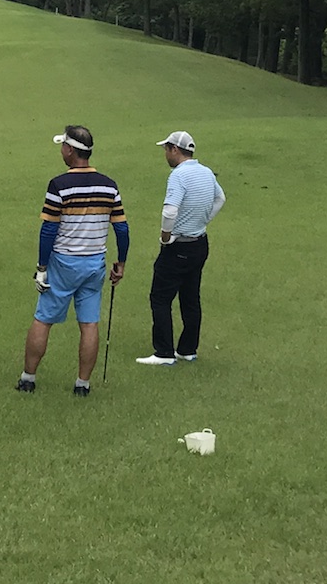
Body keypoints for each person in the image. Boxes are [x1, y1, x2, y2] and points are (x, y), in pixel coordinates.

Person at [18, 126, 127, 397]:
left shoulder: (59, 185)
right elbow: (122, 229)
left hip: (64, 262)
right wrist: (121, 263)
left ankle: (28, 378)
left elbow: (49, 230)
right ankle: (82, 384)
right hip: (95, 263)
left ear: (70, 150)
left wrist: (42, 267)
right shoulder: (109, 185)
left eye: (62, 147)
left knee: (43, 319)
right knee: (89, 323)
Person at [136, 130, 223, 366]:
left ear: (175, 149)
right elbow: (220, 199)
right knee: (190, 297)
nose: (165, 154)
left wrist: (165, 237)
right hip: (200, 244)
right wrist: (203, 220)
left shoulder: (178, 175)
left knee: (160, 298)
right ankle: (187, 349)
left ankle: (163, 352)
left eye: (166, 149)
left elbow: (170, 210)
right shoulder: (205, 172)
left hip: (178, 245)